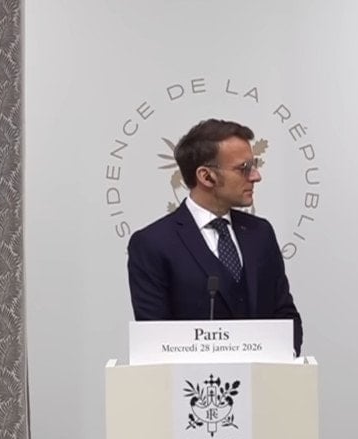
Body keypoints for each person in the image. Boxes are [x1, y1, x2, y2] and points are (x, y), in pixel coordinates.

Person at [127, 118, 303, 354]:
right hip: (193, 377)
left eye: (254, 165)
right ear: (206, 176)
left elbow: (285, 315)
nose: (256, 176)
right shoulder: (153, 244)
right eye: (244, 168)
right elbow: (156, 339)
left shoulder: (260, 233)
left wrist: (285, 357)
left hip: (265, 375)